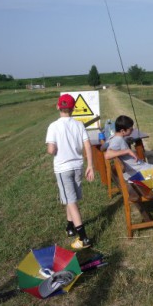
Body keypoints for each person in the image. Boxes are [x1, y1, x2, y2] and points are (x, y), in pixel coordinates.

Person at [46, 94, 94, 250]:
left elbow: (51, 149)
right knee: (70, 198)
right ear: (73, 109)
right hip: (78, 167)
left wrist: (51, 150)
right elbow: (87, 145)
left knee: (71, 202)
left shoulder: (53, 126)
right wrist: (90, 166)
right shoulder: (79, 125)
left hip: (63, 168)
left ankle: (84, 238)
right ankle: (70, 227)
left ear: (58, 107)